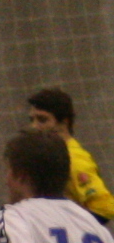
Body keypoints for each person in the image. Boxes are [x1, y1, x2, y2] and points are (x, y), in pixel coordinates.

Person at [21, 88, 114, 224]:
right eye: (32, 119)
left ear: (64, 123)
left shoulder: (74, 159)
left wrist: (71, 229)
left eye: (42, 120)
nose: (34, 126)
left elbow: (104, 207)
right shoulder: (49, 154)